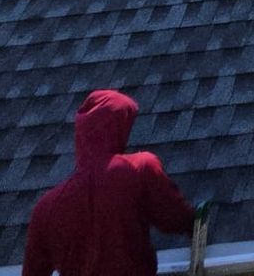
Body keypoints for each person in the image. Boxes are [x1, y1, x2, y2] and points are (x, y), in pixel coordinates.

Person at [22, 88, 199, 276]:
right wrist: (197, 220)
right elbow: (174, 218)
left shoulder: (46, 207)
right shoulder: (139, 169)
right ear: (117, 127)